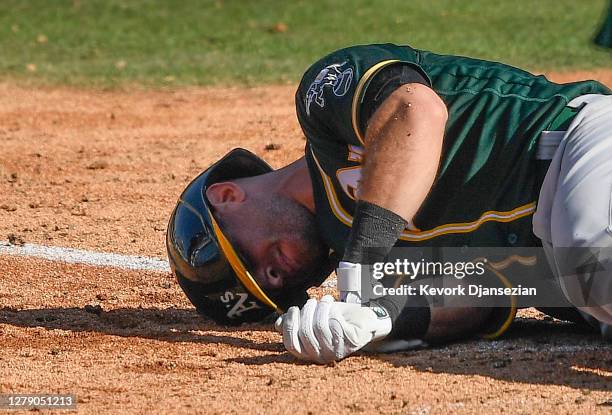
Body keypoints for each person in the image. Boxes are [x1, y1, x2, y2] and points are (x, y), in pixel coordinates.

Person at [166, 43, 612, 364]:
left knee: (588, 244)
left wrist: (363, 268)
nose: (276, 274)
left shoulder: (324, 111)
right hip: (561, 275)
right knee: (586, 281)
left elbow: (416, 107)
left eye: (247, 260)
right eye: (277, 290)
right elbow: (480, 299)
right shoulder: (355, 250)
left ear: (226, 195)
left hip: (575, 141)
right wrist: (379, 319)